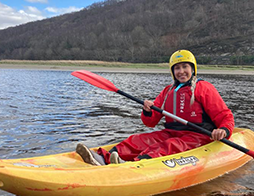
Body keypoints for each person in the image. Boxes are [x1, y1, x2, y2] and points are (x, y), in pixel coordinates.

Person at [76, 49, 235, 165]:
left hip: (198, 136)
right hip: (171, 132)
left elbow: (225, 116)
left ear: (192, 69)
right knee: (138, 140)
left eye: (185, 67)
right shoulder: (168, 91)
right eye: (177, 68)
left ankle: (133, 165)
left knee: (167, 147)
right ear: (173, 71)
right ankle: (104, 157)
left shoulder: (204, 88)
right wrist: (147, 110)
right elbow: (150, 122)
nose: (181, 71)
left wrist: (223, 130)